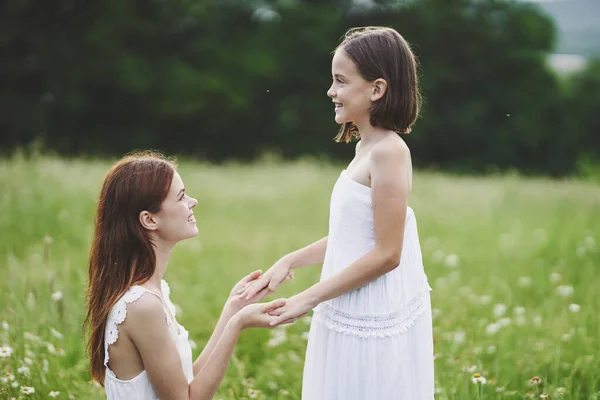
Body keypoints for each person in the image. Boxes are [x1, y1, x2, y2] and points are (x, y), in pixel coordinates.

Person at [240, 27, 434, 399]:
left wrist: (308, 297)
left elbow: (388, 253)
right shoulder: (365, 147)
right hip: (346, 303)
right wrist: (290, 260)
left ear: (376, 89)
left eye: (341, 81)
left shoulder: (390, 152)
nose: (331, 91)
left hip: (369, 313)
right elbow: (357, 236)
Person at [83, 151, 298, 400]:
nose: (193, 202)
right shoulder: (142, 306)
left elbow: (185, 386)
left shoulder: (153, 293)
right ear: (149, 219)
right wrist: (237, 324)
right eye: (182, 196)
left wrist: (233, 309)